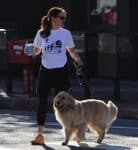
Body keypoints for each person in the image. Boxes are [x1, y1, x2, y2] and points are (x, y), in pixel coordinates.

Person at [30, 7, 83, 145]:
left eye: (64, 17)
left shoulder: (66, 33)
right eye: (62, 17)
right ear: (53, 18)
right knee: (42, 103)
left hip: (61, 72)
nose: (64, 20)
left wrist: (78, 61)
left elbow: (71, 51)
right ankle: (40, 135)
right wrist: (30, 50)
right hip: (45, 71)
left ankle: (76, 133)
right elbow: (35, 52)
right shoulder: (41, 33)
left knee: (68, 105)